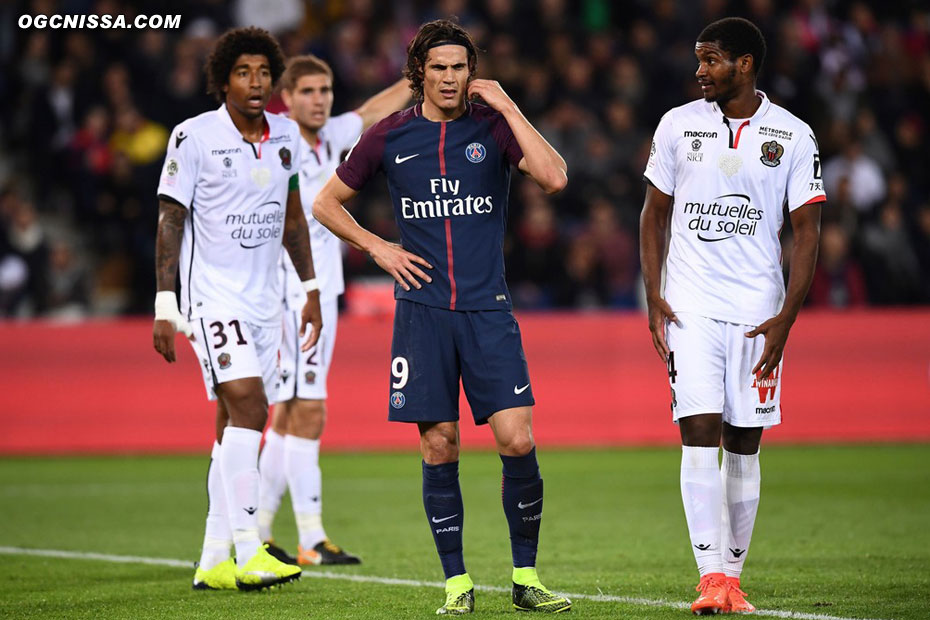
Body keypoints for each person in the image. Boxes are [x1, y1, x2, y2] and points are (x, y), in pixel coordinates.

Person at [313, 19, 572, 615]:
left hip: (488, 308)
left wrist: (506, 103)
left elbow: (555, 177)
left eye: (460, 67)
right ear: (418, 74)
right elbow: (324, 202)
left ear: (471, 71)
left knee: (517, 437)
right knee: (439, 446)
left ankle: (525, 577)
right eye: (439, 68)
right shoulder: (389, 136)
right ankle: (457, 584)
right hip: (422, 312)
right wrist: (377, 247)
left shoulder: (493, 128)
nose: (451, 78)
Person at [640, 17, 824, 615]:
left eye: (712, 59)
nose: (701, 70)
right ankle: (709, 576)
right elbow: (652, 214)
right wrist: (654, 295)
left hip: (756, 313)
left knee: (744, 442)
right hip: (690, 307)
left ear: (745, 63)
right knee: (697, 431)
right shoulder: (677, 125)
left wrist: (786, 318)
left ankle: (734, 580)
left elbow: (806, 232)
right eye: (699, 59)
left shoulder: (792, 136)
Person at [152, 27, 322, 592]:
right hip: (212, 299)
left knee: (232, 424)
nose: (255, 82)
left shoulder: (285, 138)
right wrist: (164, 302)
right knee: (251, 409)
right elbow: (170, 220)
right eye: (243, 72)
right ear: (223, 79)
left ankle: (212, 559)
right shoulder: (192, 136)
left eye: (264, 73)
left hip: (266, 302)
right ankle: (250, 552)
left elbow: (294, 219)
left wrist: (312, 290)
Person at [257, 55, 410, 567]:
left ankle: (258, 532)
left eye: (325, 90)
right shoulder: (278, 143)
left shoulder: (329, 137)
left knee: (286, 415)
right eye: (307, 91)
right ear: (287, 96)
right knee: (308, 410)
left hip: (318, 294)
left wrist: (419, 77)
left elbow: (369, 112)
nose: (319, 99)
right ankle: (310, 539)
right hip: (291, 294)